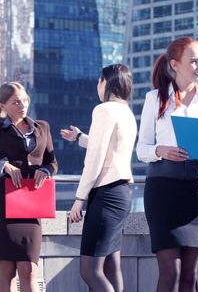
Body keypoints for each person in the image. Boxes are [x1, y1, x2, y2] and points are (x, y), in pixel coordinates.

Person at [136, 37, 198, 292]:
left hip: (197, 192)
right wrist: (161, 150)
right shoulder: (155, 98)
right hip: (163, 189)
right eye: (193, 61)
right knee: (171, 273)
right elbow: (141, 149)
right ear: (175, 64)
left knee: (189, 277)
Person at [0, 81, 57, 292]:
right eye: (16, 102)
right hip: (3, 206)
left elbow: (52, 162)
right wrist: (2, 165)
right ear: (2, 105)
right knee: (6, 270)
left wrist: (45, 171)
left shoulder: (42, 127)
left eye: (25, 100)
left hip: (32, 207)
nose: (22, 105)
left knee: (29, 269)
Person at [60, 64, 137, 292]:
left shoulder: (103, 110)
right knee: (112, 267)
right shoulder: (126, 112)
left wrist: (79, 198)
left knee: (90, 270)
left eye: (99, 81)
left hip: (106, 195)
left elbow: (95, 158)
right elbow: (107, 146)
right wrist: (80, 138)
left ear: (107, 83)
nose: (97, 86)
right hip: (122, 194)